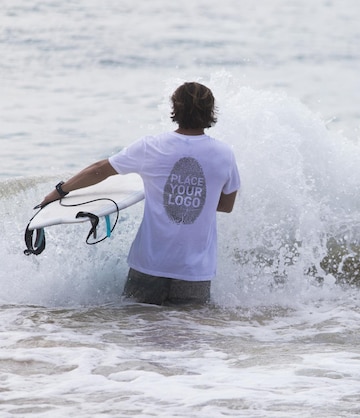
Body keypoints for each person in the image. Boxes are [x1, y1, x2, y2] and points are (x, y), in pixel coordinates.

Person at [39, 82, 240, 306]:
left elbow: (99, 170)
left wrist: (60, 191)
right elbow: (225, 205)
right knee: (189, 336)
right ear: (210, 111)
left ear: (175, 108)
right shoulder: (225, 154)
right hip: (195, 271)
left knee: (138, 331)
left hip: (150, 264)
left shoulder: (151, 147)